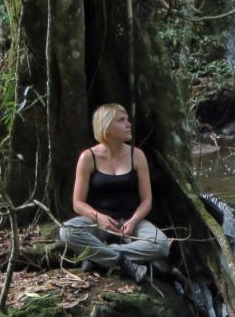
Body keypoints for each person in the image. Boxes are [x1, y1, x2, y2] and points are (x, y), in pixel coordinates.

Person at [60, 103, 170, 283]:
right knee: (67, 231)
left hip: (132, 221)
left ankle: (99, 257)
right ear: (107, 127)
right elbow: (77, 203)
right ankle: (122, 262)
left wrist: (133, 221)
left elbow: (147, 200)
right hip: (99, 223)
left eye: (127, 119)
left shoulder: (137, 155)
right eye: (121, 120)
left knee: (161, 245)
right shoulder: (88, 158)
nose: (129, 124)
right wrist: (99, 218)